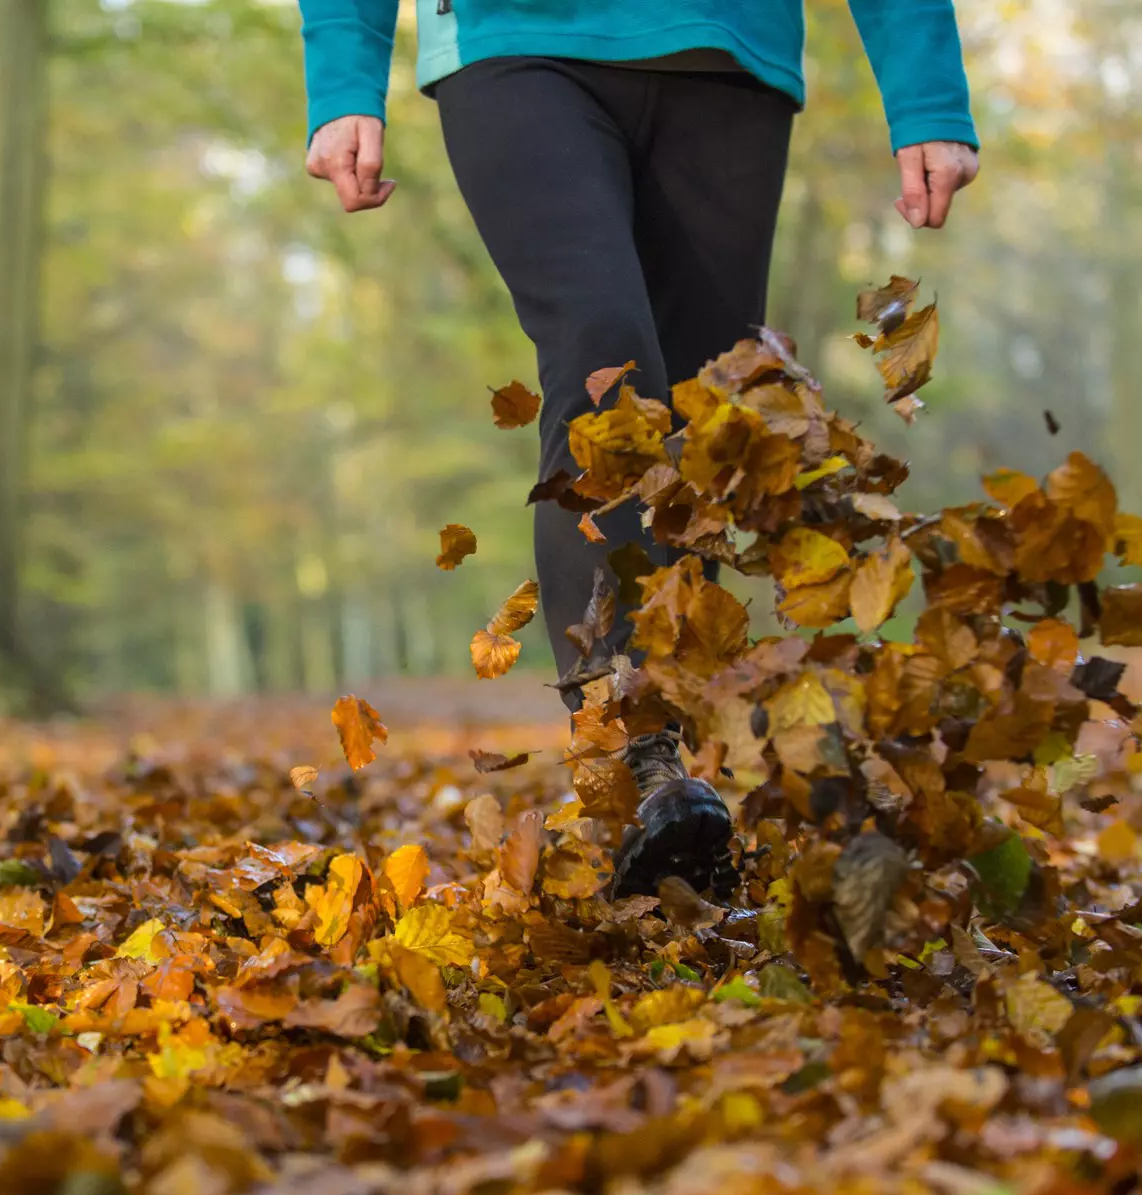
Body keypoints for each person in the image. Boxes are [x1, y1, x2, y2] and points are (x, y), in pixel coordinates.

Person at [297, 0, 979, 898]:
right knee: (602, 369)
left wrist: (925, 93)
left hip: (728, 53)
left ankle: (675, 781)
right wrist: (347, 72)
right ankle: (632, 757)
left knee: (701, 420)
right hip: (520, 44)